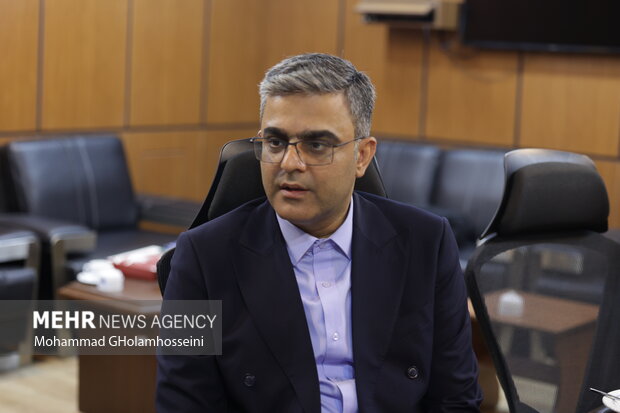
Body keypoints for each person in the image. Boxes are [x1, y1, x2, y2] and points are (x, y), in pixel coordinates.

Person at [156, 53, 482, 412]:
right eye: (275, 142)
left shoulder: (426, 242)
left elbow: (456, 398)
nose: (289, 163)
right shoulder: (202, 256)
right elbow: (183, 403)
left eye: (316, 145)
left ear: (362, 156)